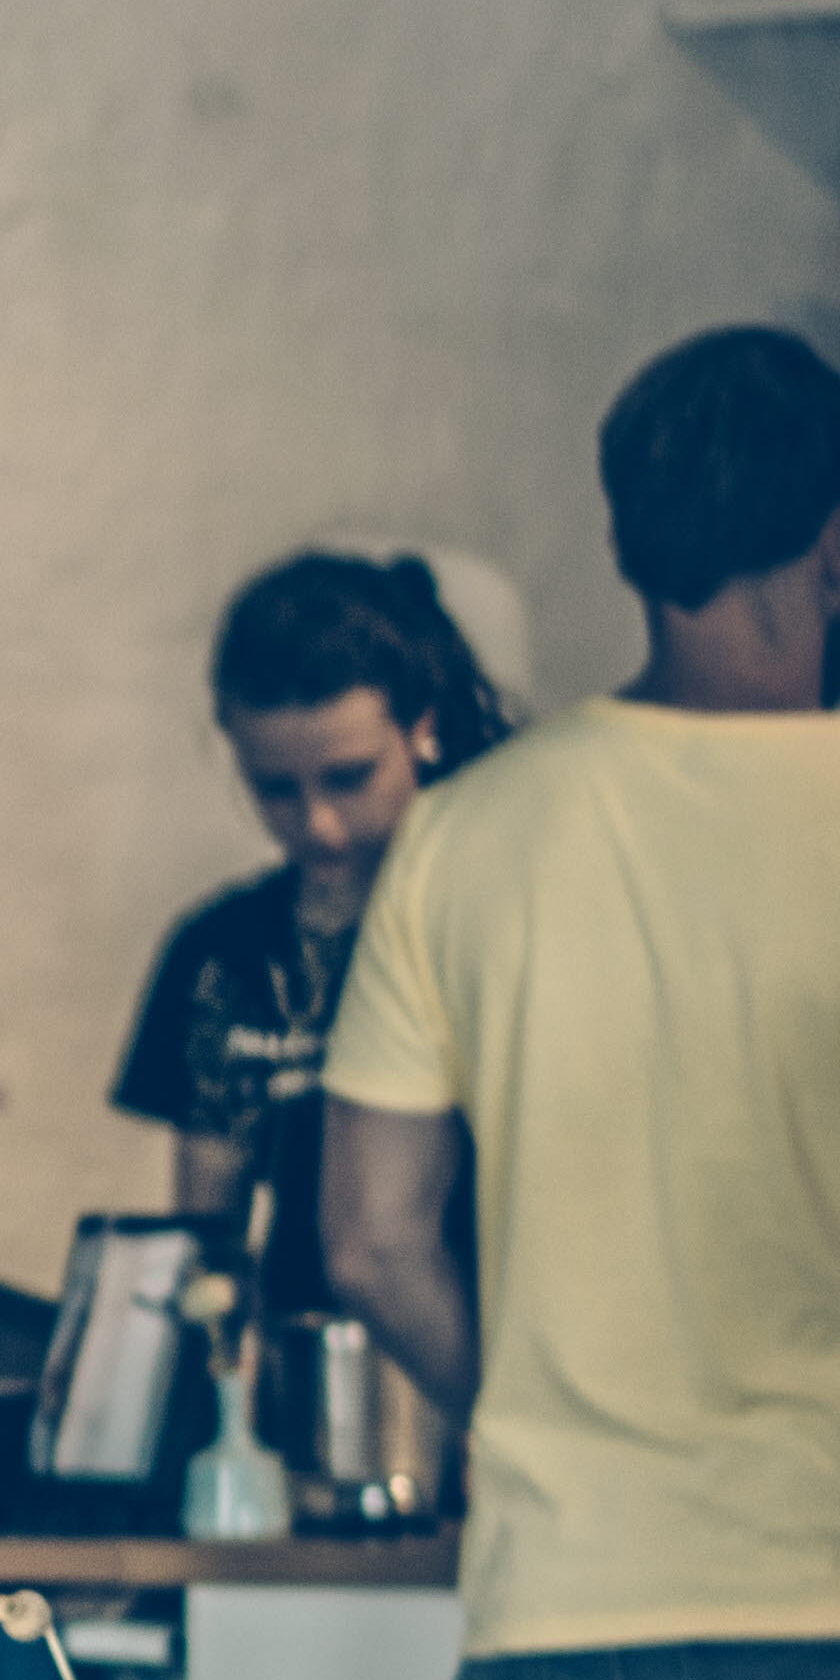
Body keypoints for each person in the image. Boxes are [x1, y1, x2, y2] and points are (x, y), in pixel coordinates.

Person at [322, 323, 840, 1680]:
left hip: (558, 1615)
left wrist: (525, 1394)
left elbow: (370, 1242)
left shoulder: (461, 836)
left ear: (626, 541)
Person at [110, 552, 512, 1314]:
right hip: (311, 1368)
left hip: (505, 1351)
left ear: (419, 730)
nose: (318, 823)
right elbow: (207, 1238)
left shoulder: (499, 915)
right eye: (275, 789)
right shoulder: (220, 955)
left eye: (348, 777)